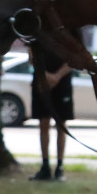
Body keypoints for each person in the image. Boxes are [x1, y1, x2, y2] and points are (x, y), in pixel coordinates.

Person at [29, 50, 74, 182]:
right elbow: (32, 55)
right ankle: (45, 166)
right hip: (40, 82)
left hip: (63, 84)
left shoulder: (71, 32)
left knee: (61, 125)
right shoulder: (36, 31)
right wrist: (44, 75)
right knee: (43, 124)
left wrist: (57, 76)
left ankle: (60, 167)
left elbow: (74, 57)